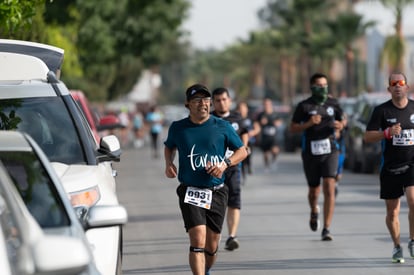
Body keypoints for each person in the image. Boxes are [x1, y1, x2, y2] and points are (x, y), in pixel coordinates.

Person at [163, 84, 247, 275]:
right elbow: (169, 146)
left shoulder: (222, 126)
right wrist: (168, 163)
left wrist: (224, 164)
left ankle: (207, 268)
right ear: (188, 104)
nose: (203, 104)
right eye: (197, 100)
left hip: (217, 191)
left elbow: (242, 151)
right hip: (190, 190)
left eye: (206, 100)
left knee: (211, 245)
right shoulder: (178, 128)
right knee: (197, 239)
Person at [363, 72, 414, 263]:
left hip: (412, 163)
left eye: (401, 83)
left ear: (407, 87)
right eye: (394, 83)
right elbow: (367, 137)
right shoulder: (381, 111)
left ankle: (413, 240)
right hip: (391, 166)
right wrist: (386, 133)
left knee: (413, 200)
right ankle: (397, 246)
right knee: (392, 212)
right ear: (389, 89)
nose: (398, 86)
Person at [289, 72, 345, 241]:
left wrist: (340, 125)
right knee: (314, 190)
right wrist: (308, 123)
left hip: (330, 149)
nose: (323, 88)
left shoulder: (333, 103)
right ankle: (314, 210)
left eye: (325, 85)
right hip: (311, 152)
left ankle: (327, 228)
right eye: (319, 86)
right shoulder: (304, 106)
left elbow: (343, 120)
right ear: (312, 88)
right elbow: (292, 127)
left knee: (329, 186)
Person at [211, 87, 249, 251]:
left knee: (234, 200)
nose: (222, 103)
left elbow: (245, 133)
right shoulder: (209, 119)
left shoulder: (237, 117)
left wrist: (244, 148)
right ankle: (214, 235)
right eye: (218, 100)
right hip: (213, 168)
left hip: (233, 167)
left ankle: (232, 236)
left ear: (230, 101)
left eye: (224, 99)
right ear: (213, 103)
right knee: (214, 203)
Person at [256, 98, 283, 172]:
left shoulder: (275, 114)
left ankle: (274, 160)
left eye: (268, 104)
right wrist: (261, 123)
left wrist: (277, 123)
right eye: (265, 104)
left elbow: (280, 121)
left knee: (275, 150)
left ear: (271, 105)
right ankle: (266, 165)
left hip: (273, 136)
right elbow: (256, 124)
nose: (267, 105)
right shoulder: (261, 115)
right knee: (265, 153)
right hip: (264, 136)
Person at [236, 101, 261, 180]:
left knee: (248, 156)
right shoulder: (236, 118)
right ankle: (242, 174)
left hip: (250, 142)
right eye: (240, 108)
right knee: (241, 159)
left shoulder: (251, 118)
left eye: (243, 108)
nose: (242, 110)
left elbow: (257, 128)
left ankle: (249, 166)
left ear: (246, 109)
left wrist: (252, 133)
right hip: (239, 142)